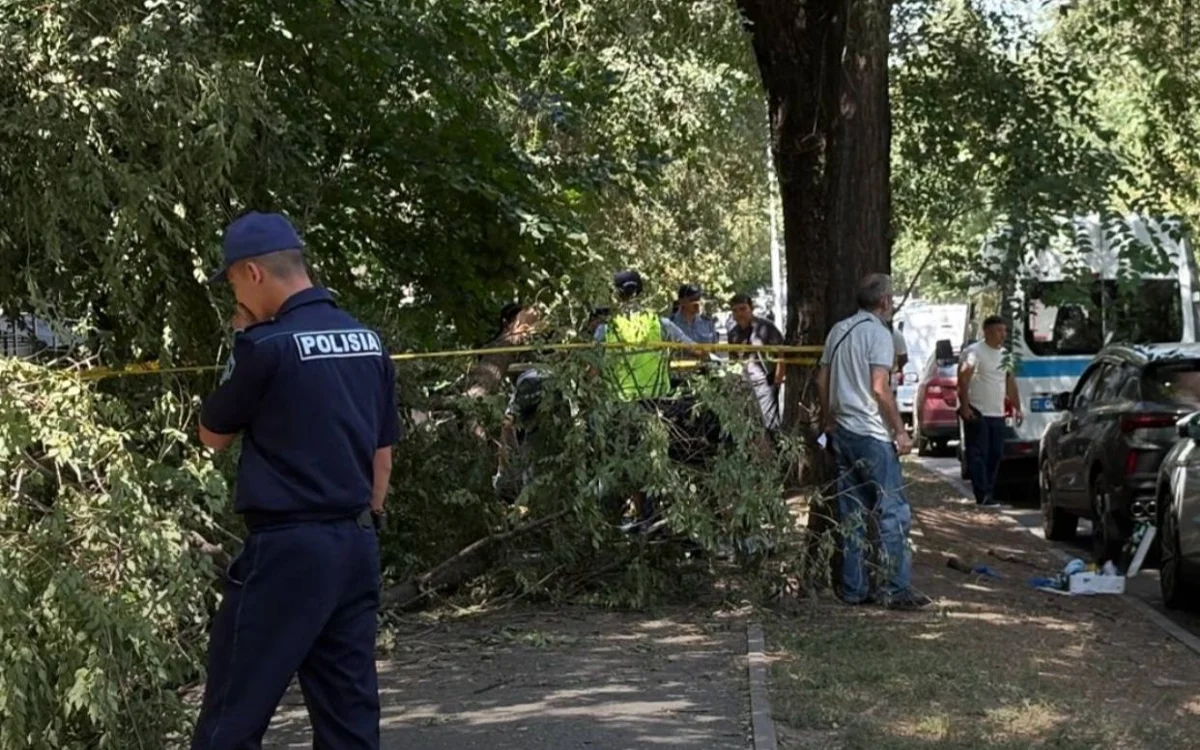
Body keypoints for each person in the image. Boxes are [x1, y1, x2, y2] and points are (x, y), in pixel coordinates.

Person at [192, 212, 399, 749]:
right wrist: (367, 520)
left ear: (252, 273)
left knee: (233, 715)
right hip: (355, 545)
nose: (235, 297)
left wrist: (241, 342)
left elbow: (212, 435)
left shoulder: (265, 346)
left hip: (287, 551)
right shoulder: (368, 341)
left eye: (232, 284)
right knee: (349, 718)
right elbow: (381, 457)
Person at [816, 273, 930, 611]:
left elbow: (822, 379)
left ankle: (854, 589)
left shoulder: (839, 330)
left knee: (851, 513)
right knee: (892, 512)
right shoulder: (879, 334)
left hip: (843, 431)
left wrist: (828, 419)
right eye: (891, 298)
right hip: (871, 433)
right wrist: (900, 431)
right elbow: (879, 387)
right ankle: (895, 589)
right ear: (884, 302)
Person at [594, 270, 695, 526]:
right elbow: (695, 349)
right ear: (642, 291)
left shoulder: (607, 330)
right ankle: (667, 516)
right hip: (658, 405)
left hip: (622, 405)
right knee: (659, 461)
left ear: (616, 295)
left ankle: (642, 516)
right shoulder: (659, 323)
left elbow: (592, 371)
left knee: (630, 463)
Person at [958, 315, 1022, 507]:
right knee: (979, 454)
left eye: (1004, 331)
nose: (1003, 335)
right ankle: (982, 494)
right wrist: (964, 406)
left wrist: (1017, 407)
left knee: (995, 453)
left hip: (997, 412)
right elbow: (963, 378)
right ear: (987, 332)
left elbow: (1010, 382)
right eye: (998, 331)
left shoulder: (1005, 355)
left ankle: (989, 491)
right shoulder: (974, 352)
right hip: (977, 411)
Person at [727, 293, 786, 432]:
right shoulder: (733, 333)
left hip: (764, 382)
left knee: (769, 423)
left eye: (743, 309)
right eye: (735, 310)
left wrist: (778, 378)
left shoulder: (765, 327)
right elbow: (733, 359)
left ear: (751, 309)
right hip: (744, 383)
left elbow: (781, 352)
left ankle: (774, 443)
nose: (739, 314)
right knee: (749, 424)